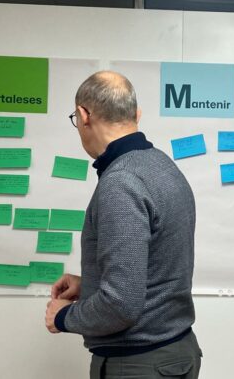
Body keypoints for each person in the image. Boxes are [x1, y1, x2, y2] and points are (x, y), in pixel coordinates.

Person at [44, 71, 202, 378]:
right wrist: (90, 283)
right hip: (173, 352)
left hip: (137, 364)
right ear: (136, 115)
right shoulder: (161, 164)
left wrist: (63, 317)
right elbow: (156, 268)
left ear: (84, 115)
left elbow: (120, 304)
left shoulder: (121, 182)